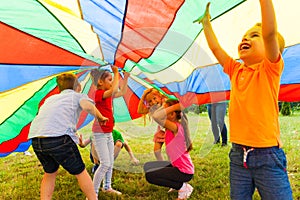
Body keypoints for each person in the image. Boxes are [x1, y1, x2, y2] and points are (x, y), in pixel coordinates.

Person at [196, 1, 292, 199]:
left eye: (254, 36)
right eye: (244, 37)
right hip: (238, 156)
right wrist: (207, 24)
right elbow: (216, 50)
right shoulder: (235, 70)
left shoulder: (270, 70)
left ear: (272, 49)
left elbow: (269, 33)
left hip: (268, 156)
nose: (245, 38)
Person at [28, 73, 108, 200]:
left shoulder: (50, 99)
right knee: (80, 172)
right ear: (78, 86)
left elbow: (49, 117)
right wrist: (100, 117)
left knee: (49, 173)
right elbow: (87, 106)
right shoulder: (77, 96)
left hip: (37, 140)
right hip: (58, 139)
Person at [90, 66, 130, 196]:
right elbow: (113, 90)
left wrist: (127, 78)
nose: (113, 82)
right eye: (110, 79)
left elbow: (122, 92)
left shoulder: (108, 95)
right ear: (101, 82)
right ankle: (92, 194)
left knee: (110, 162)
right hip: (100, 133)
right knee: (105, 163)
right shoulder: (99, 94)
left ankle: (107, 187)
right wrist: (116, 72)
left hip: (108, 133)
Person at [144, 99, 194, 200]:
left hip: (184, 172)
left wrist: (176, 106)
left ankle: (183, 188)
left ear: (172, 115)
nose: (163, 112)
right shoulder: (170, 128)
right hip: (176, 166)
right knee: (148, 166)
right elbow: (155, 114)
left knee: (150, 176)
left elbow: (156, 116)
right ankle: (176, 183)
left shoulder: (175, 127)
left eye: (165, 109)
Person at [137, 88, 168, 161]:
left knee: (170, 150)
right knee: (156, 151)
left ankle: (174, 165)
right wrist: (143, 95)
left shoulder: (165, 102)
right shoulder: (151, 108)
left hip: (170, 129)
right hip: (161, 130)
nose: (153, 102)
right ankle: (162, 165)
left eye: (154, 98)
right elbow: (139, 111)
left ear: (159, 96)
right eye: (150, 101)